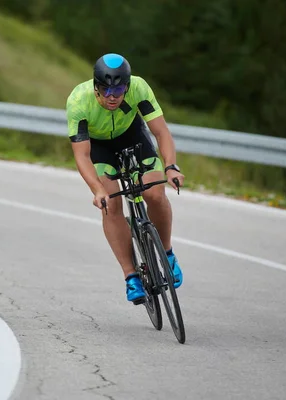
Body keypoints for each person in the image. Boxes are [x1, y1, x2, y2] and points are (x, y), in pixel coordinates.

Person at [65, 52, 184, 304]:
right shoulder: (78, 100)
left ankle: (167, 253)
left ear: (127, 86)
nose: (111, 96)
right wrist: (97, 190)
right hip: (99, 148)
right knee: (111, 205)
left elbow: (161, 133)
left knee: (154, 192)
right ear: (95, 86)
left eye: (118, 90)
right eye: (105, 90)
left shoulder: (139, 88)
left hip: (132, 135)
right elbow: (82, 156)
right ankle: (131, 276)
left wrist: (171, 167)